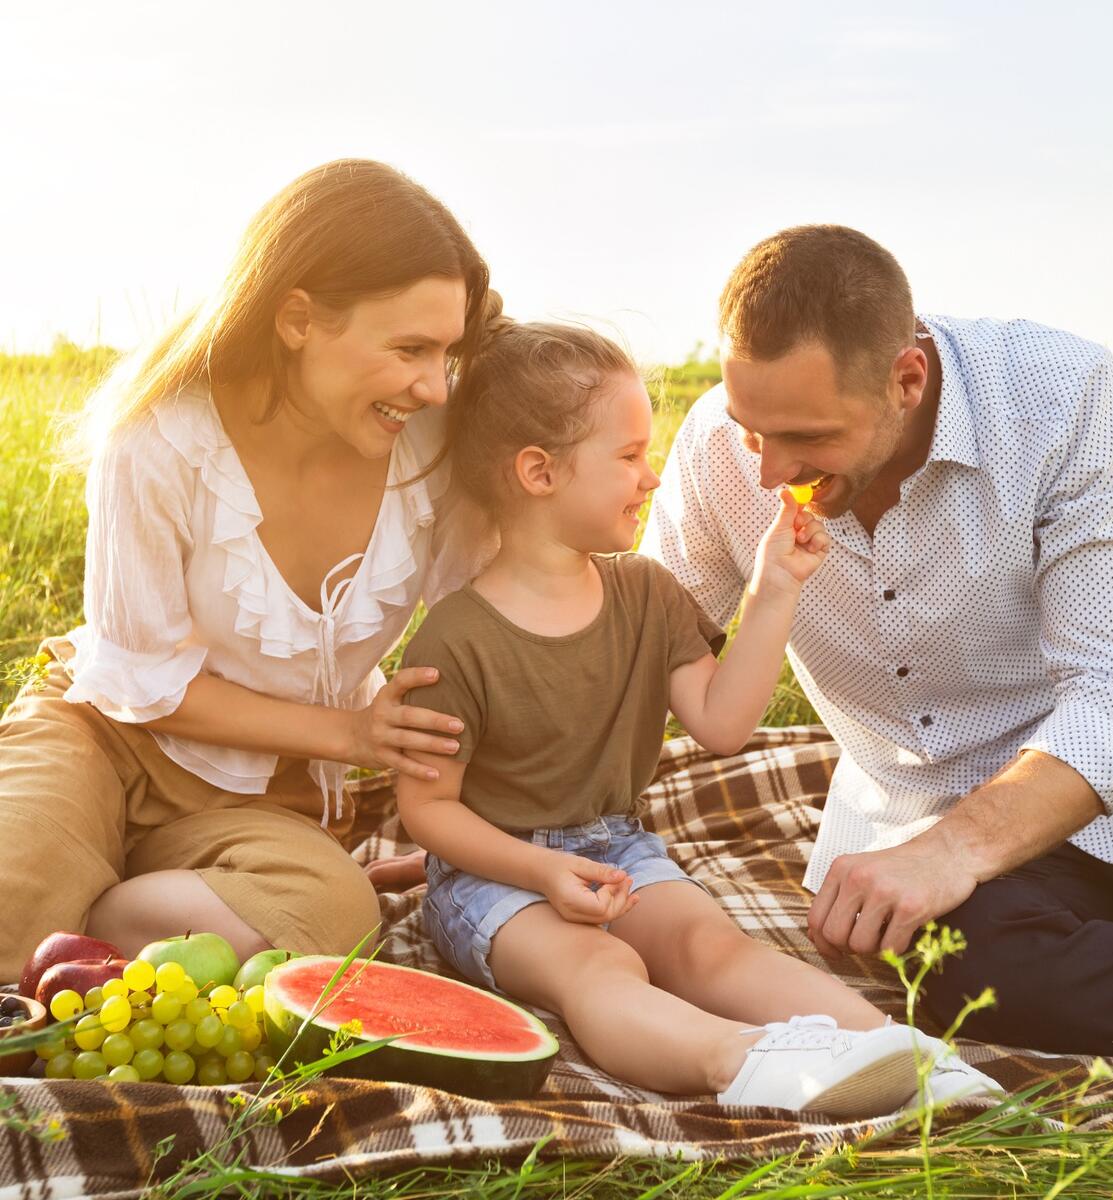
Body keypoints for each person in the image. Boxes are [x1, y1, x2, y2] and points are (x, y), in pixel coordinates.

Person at [367, 307, 1003, 1114]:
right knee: (600, 971)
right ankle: (744, 1065)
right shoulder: (456, 638)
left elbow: (723, 723)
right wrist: (539, 870)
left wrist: (776, 588)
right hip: (495, 879)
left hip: (617, 849)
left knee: (709, 945)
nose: (652, 475)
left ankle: (900, 1056)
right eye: (630, 456)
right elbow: (427, 812)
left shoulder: (645, 593)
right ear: (539, 472)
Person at [642, 224, 1113, 1057]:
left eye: (808, 438)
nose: (768, 471)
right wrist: (511, 828)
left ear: (907, 378)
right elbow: (634, 653)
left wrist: (956, 851)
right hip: (935, 826)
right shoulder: (721, 453)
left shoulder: (1060, 398)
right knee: (964, 972)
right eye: (752, 429)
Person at [0, 159, 484, 980]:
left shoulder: (432, 458)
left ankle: (77, 925)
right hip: (102, 734)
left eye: (447, 352)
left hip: (264, 795)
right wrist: (352, 733)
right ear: (297, 318)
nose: (435, 386)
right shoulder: (159, 438)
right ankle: (66, 903)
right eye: (409, 348)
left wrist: (480, 845)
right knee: (13, 884)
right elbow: (142, 681)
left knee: (332, 911)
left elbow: (493, 631)